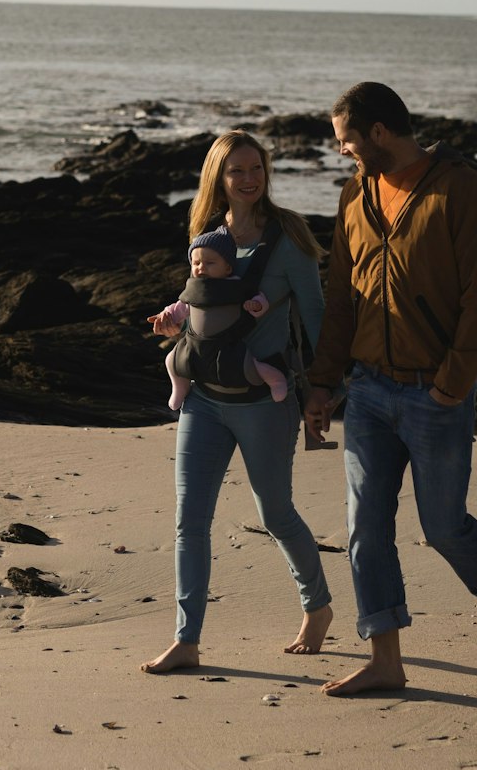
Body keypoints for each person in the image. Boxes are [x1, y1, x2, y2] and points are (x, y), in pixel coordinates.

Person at [302, 82, 477, 696]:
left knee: (444, 527)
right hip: (369, 391)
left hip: (436, 394)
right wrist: (322, 384)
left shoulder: (462, 189)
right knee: (364, 527)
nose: (342, 152)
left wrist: (453, 387)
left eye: (346, 140)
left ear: (379, 133)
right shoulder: (355, 194)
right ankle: (385, 659)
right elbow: (342, 301)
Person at [141, 130, 333, 674]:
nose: (249, 179)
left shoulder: (289, 238)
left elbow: (317, 317)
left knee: (275, 513)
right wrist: (168, 323)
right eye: (236, 171)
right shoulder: (209, 239)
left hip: (264, 402)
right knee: (189, 521)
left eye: (256, 168)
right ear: (218, 179)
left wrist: (324, 390)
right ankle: (186, 640)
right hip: (204, 399)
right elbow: (193, 302)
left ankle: (316, 605)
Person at [149, 229, 290, 414]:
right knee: (171, 361)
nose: (201, 268)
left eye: (209, 263)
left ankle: (277, 381)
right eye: (196, 263)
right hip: (195, 344)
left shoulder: (235, 285)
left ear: (228, 268)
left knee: (252, 366)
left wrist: (255, 305)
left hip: (227, 344)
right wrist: (164, 316)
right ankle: (180, 388)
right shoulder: (194, 289)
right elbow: (178, 308)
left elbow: (261, 300)